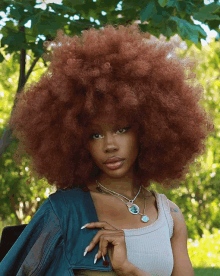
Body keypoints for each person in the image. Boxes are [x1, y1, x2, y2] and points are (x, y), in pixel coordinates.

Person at [0, 23, 214, 276]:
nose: (109, 145)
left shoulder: (170, 214)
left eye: (122, 129)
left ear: (149, 129)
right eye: (95, 134)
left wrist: (128, 270)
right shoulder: (64, 211)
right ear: (79, 142)